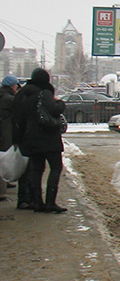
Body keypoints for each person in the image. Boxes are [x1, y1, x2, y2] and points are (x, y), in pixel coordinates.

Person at [11, 68, 67, 213]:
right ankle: (50, 202)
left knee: (37, 171)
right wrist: (60, 103)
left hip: (30, 138)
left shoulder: (24, 94)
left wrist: (18, 139)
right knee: (55, 168)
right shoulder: (44, 93)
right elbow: (54, 109)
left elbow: (19, 118)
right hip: (48, 137)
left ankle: (37, 202)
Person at [0, 74, 22, 202]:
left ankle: (5, 182)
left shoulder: (3, 95)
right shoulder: (9, 98)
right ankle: (2, 188)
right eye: (16, 85)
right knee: (4, 158)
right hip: (6, 132)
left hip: (3, 131)